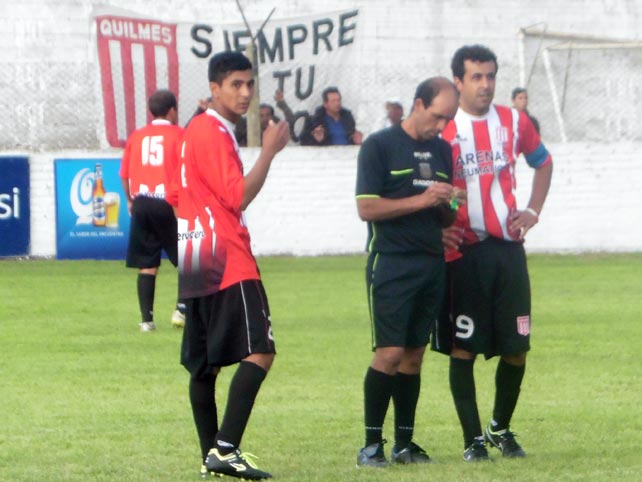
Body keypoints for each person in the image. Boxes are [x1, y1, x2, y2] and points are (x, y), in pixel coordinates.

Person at [170, 51, 289, 480]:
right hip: (225, 255)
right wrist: (269, 153)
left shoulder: (194, 131)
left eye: (249, 84)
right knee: (261, 350)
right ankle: (225, 449)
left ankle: (210, 455)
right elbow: (237, 196)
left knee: (205, 365)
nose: (245, 92)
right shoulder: (212, 130)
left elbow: (176, 195)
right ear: (214, 88)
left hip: (196, 254)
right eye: (235, 84)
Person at [435, 45, 553, 462]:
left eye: (490, 76)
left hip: (508, 252)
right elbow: (430, 189)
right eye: (476, 77)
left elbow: (543, 162)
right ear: (459, 82)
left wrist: (532, 210)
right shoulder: (444, 129)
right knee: (463, 348)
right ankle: (472, 440)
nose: (485, 85)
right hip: (464, 254)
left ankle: (499, 428)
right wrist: (439, 228)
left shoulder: (514, 121)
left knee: (517, 347)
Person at [355, 77, 464, 467]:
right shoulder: (379, 146)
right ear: (418, 104)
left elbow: (445, 215)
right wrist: (423, 199)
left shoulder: (443, 150)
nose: (441, 126)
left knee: (414, 355)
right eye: (437, 116)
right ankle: (371, 446)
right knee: (389, 353)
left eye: (448, 119)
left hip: (431, 262)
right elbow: (366, 208)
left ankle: (404, 444)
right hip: (391, 262)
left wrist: (448, 203)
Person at [119, 89, 186, 332]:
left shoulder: (137, 136)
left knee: (147, 264)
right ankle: (182, 310)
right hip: (169, 203)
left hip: (142, 203)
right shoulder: (180, 135)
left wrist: (130, 200)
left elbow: (125, 174)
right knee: (189, 258)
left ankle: (146, 321)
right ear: (172, 110)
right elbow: (186, 170)